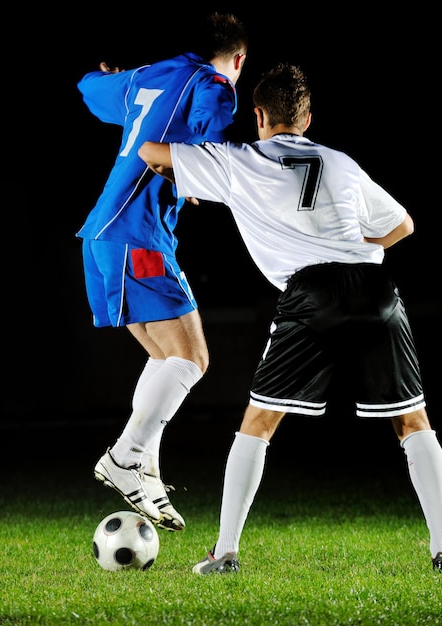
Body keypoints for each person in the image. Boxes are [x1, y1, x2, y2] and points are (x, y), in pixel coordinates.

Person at [138, 62, 442, 571]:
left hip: (312, 293)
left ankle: (226, 553)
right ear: (306, 118)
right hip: (376, 288)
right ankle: (441, 549)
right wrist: (354, 245)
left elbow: (151, 152)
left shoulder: (239, 159)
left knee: (258, 422)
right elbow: (403, 225)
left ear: (258, 115)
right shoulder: (341, 162)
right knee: (413, 421)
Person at [75, 13, 248, 532]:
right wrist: (196, 168)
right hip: (137, 232)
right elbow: (212, 139)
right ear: (238, 59)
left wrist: (120, 78)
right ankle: (124, 457)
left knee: (163, 359)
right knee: (192, 358)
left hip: (101, 234)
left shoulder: (149, 75)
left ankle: (144, 467)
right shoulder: (216, 84)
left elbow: (88, 87)